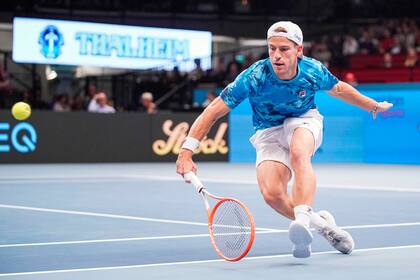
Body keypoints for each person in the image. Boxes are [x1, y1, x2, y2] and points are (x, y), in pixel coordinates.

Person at [176, 21, 393, 258]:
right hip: (267, 130)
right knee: (272, 195)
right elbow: (213, 111)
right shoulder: (254, 76)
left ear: (299, 50)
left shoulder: (312, 70)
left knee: (299, 152)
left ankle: (301, 219)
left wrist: (372, 105)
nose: (276, 56)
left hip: (303, 120)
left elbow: (340, 89)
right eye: (272, 49)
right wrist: (186, 152)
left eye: (284, 49)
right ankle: (322, 225)